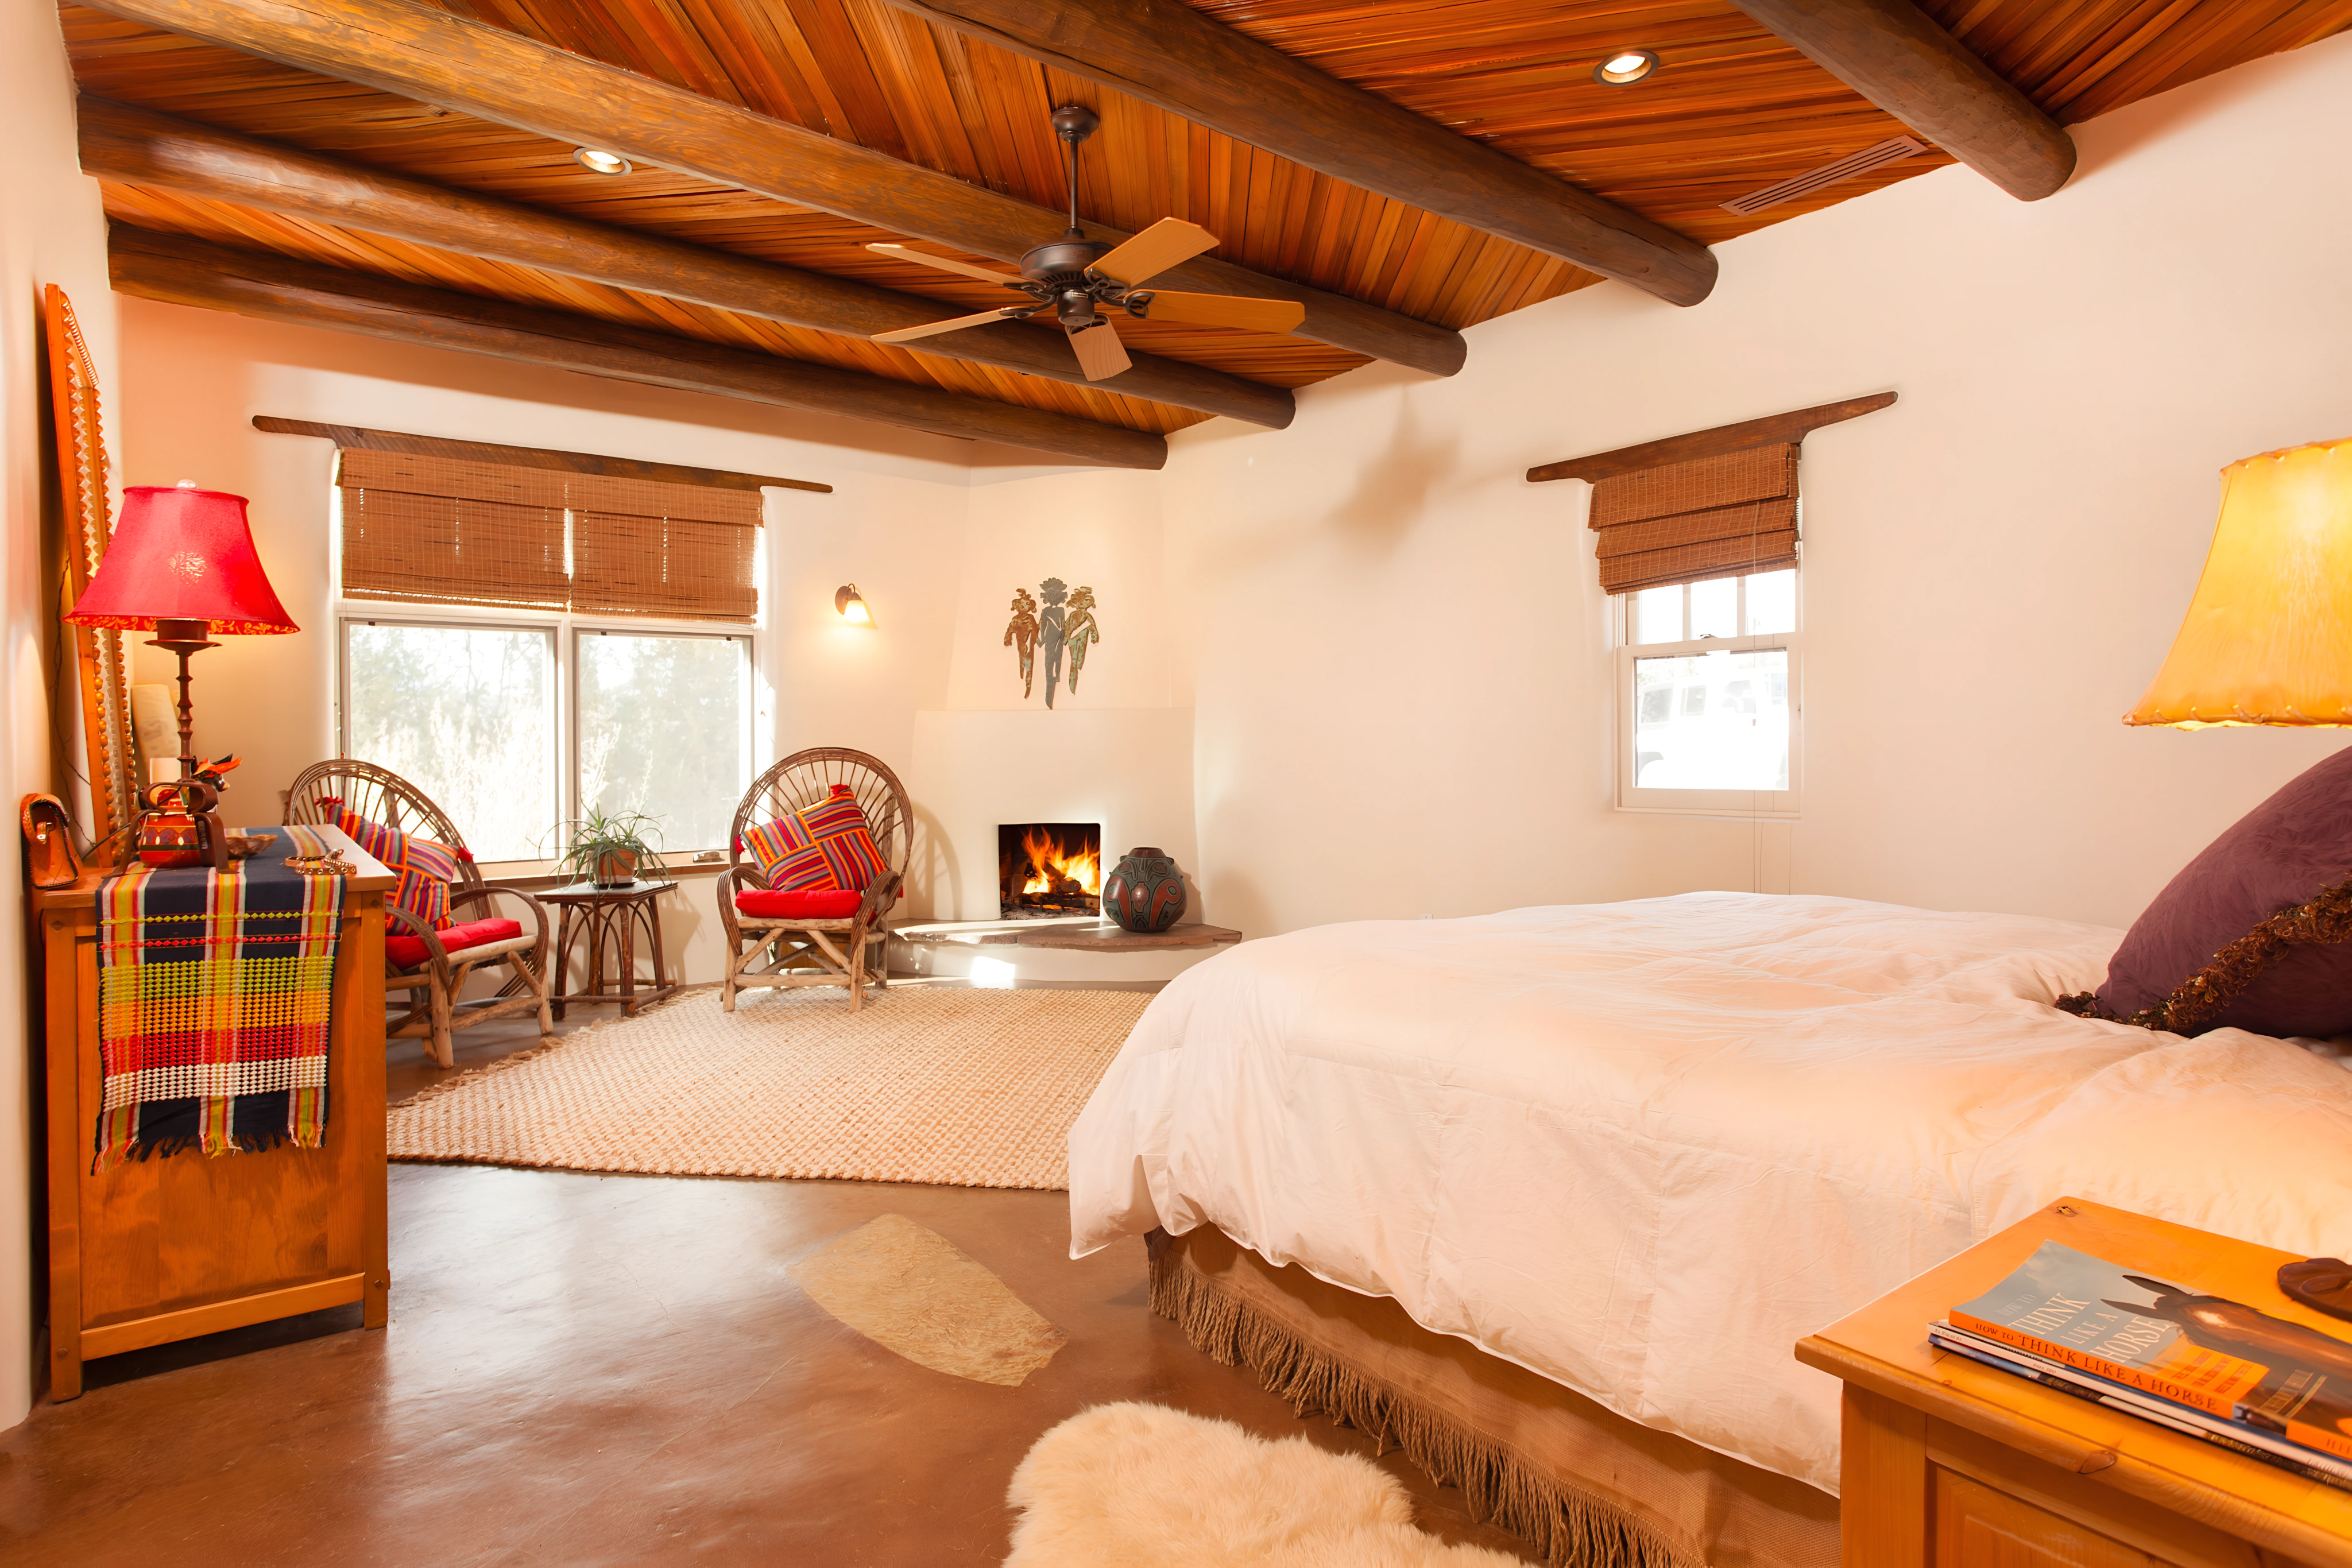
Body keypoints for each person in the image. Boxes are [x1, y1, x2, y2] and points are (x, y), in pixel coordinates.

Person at [1003, 588, 1039, 699]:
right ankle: (1026, 679)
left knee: (1028, 662)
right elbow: (1010, 630)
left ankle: (1028, 682)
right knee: (1023, 659)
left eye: (1027, 605)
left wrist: (1037, 634)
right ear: (1017, 606)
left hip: (1029, 644)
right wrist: (1007, 639)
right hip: (1022, 645)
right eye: (1022, 604)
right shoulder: (1016, 619)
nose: (1024, 607)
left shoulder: (1030, 618)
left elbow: (1034, 631)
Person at [1063, 586, 1100, 694]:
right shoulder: (1073, 614)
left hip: (1082, 637)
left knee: (1079, 658)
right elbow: (1067, 625)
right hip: (1073, 639)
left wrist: (1094, 636)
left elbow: (1092, 626)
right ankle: (1073, 679)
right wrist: (1065, 638)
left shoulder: (1087, 616)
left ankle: (1075, 673)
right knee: (1074, 660)